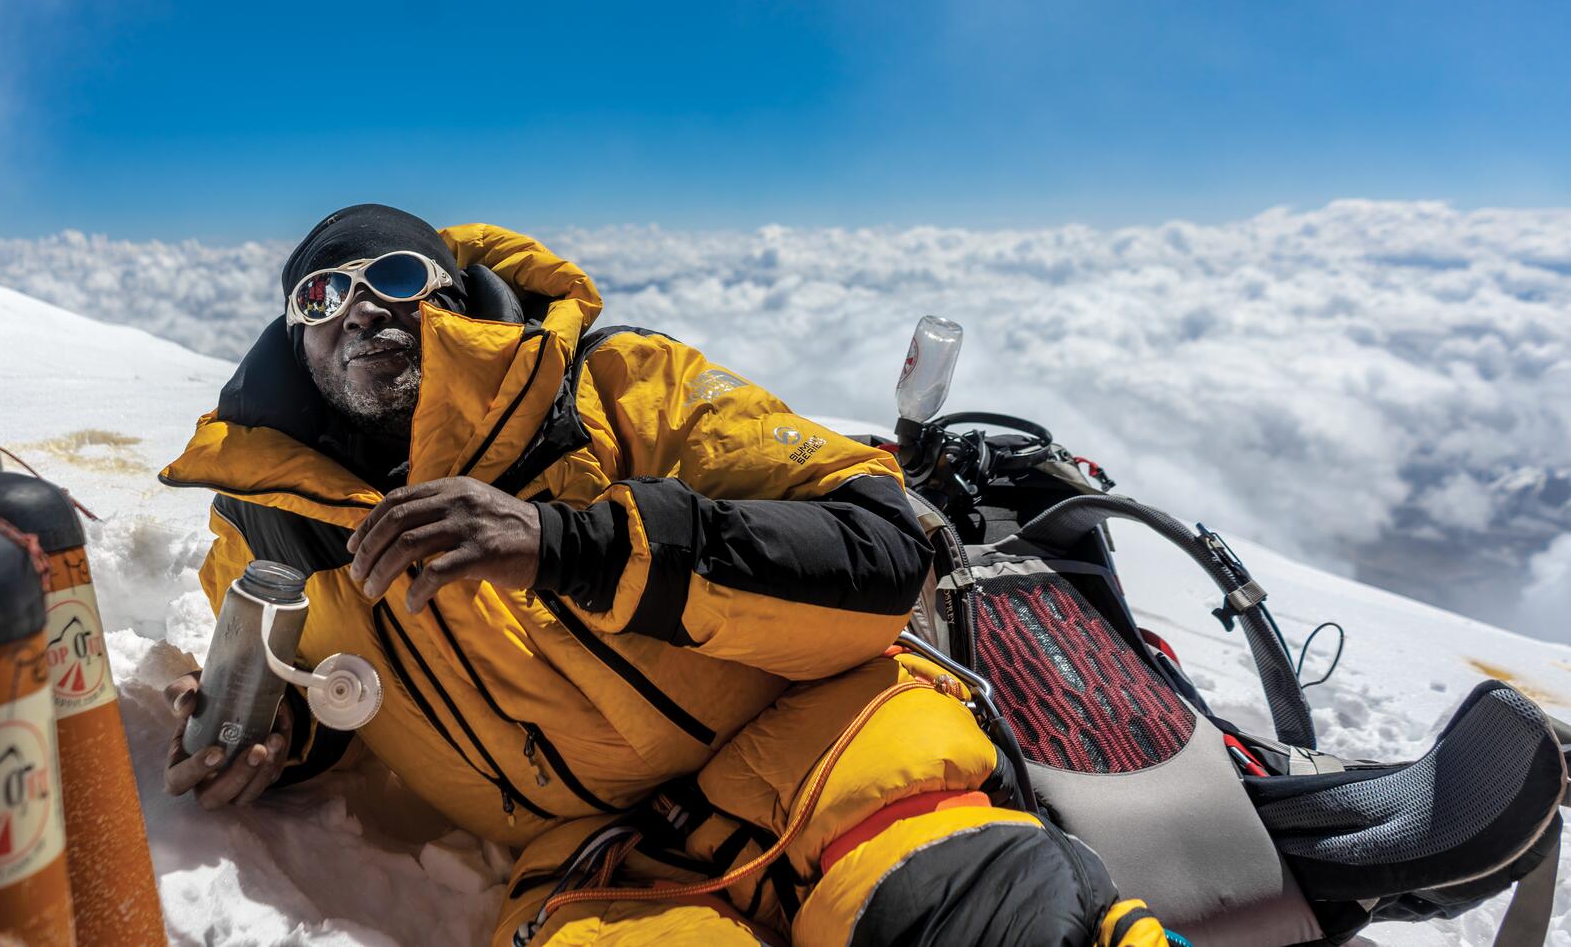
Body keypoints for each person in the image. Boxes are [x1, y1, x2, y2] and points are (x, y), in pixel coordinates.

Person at [158, 204, 1168, 947]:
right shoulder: (269, 530)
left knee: (1002, 915)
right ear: (294, 338)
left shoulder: (617, 392)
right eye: (323, 293)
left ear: (457, 299)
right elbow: (309, 687)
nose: (362, 307)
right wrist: (281, 740)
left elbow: (881, 548)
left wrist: (571, 542)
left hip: (836, 763)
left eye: (399, 277)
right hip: (604, 872)